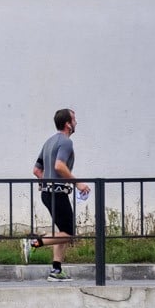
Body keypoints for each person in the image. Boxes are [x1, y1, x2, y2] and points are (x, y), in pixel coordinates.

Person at [21, 108, 91, 281]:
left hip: (47, 193)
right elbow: (59, 166)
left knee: (62, 232)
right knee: (69, 233)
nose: (76, 122)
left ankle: (56, 271)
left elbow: (37, 170)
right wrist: (78, 184)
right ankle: (33, 243)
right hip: (57, 193)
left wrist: (46, 182)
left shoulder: (49, 142)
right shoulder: (66, 142)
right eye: (74, 119)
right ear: (68, 124)